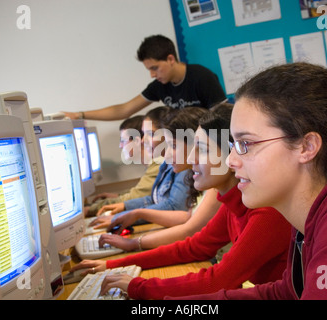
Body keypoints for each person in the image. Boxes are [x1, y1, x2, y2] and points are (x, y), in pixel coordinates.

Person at [170, 62, 327, 300]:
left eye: (245, 144)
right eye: (233, 146)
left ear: (306, 146)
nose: (231, 161)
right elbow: (287, 292)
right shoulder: (309, 212)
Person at [70, 104, 291, 300]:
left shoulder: (266, 211)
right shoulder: (234, 202)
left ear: (232, 155)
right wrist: (113, 265)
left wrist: (139, 287)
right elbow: (193, 247)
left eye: (202, 150)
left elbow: (218, 280)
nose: (192, 158)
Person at [89, 107, 208, 230]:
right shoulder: (171, 164)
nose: (142, 140)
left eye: (150, 134)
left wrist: (133, 219)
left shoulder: (186, 169)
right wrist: (126, 208)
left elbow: (176, 208)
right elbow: (155, 199)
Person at [62, 35, 226, 121]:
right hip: (186, 146)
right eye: (149, 69)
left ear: (170, 59)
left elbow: (223, 116)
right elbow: (124, 110)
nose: (152, 75)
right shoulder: (160, 85)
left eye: (155, 68)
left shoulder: (201, 77)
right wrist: (79, 115)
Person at [85, 110, 166, 217]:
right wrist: (118, 196)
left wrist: (90, 210)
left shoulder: (158, 164)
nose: (120, 146)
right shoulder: (154, 164)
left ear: (137, 141)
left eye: (123, 140)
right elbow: (138, 193)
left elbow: (136, 197)